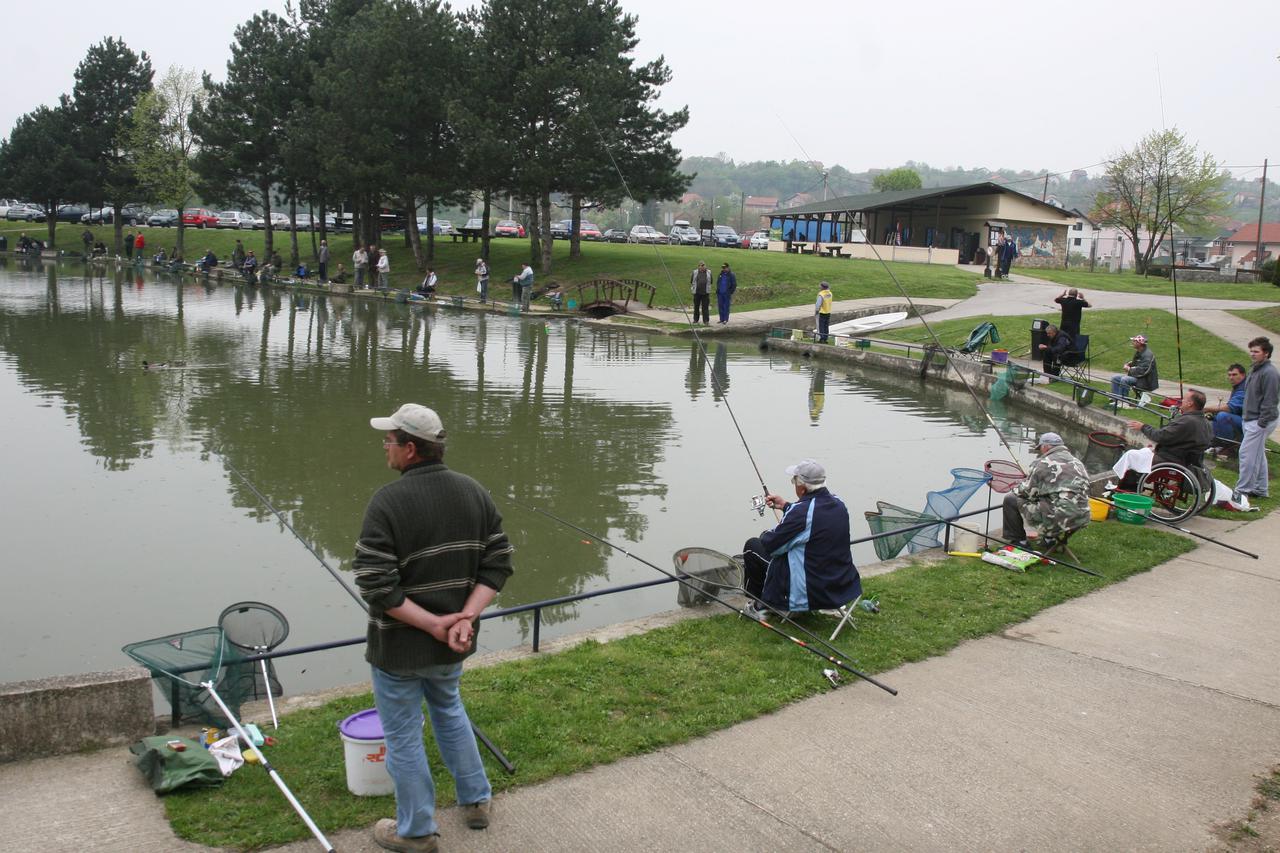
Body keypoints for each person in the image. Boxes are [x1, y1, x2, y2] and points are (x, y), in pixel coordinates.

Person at [354, 404, 511, 853]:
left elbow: (374, 581)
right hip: (453, 645)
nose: (384, 446)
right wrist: (464, 618)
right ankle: (476, 800)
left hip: (399, 650)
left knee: (403, 737)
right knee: (449, 709)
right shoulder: (473, 491)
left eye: (389, 440)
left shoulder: (387, 501)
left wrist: (436, 624)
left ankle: (416, 831)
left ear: (410, 449)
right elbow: (498, 563)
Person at [740, 459, 861, 615]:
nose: (794, 485)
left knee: (753, 546)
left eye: (794, 481)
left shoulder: (801, 512)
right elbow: (813, 519)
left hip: (812, 590)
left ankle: (763, 605)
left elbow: (772, 546)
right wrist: (785, 506)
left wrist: (767, 534)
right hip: (841, 584)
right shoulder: (839, 504)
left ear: (802, 489)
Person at [1002, 433, 1091, 549]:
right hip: (1082, 516)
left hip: (1059, 519)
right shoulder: (1077, 462)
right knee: (1052, 499)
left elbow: (1026, 493)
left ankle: (1020, 541)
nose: (1041, 451)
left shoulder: (1043, 463)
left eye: (1041, 448)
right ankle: (1049, 540)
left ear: (1046, 446)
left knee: (1010, 499)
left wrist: (1017, 486)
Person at [1237, 336, 1280, 500]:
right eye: (1251, 351)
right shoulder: (1255, 369)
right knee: (1258, 454)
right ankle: (1261, 489)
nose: (1252, 354)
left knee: (1246, 454)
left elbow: (1271, 400)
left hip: (1260, 421)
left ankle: (1242, 491)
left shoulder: (1270, 373)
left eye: (1256, 351)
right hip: (1250, 418)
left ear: (1266, 353)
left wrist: (1261, 423)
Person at [1204, 363, 1248, 454]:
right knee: (1216, 415)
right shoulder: (1239, 385)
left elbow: (1230, 408)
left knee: (1222, 416)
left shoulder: (1243, 388)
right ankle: (1216, 443)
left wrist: (1205, 409)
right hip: (1244, 419)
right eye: (1229, 375)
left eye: (1234, 374)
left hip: (1249, 422)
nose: (1231, 377)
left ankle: (1227, 446)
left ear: (1243, 375)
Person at [1109, 334, 1159, 400]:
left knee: (1125, 380)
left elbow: (1143, 371)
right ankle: (1116, 399)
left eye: (1134, 341)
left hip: (1146, 381)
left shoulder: (1147, 355)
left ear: (1139, 343)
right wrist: (1130, 364)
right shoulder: (1140, 351)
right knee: (1115, 378)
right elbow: (1138, 363)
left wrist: (1129, 369)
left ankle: (1124, 401)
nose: (1132, 342)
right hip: (1140, 378)